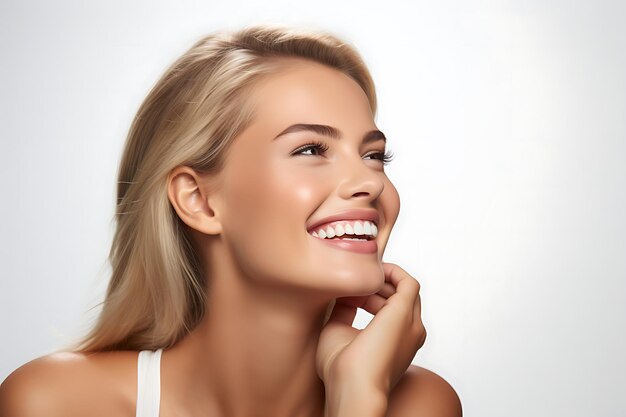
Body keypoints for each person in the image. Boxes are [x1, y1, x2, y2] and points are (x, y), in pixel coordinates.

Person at [0, 25, 462, 417]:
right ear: (199, 200)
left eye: (374, 155)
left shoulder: (420, 404)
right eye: (310, 150)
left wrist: (357, 397)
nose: (369, 181)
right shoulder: (57, 402)